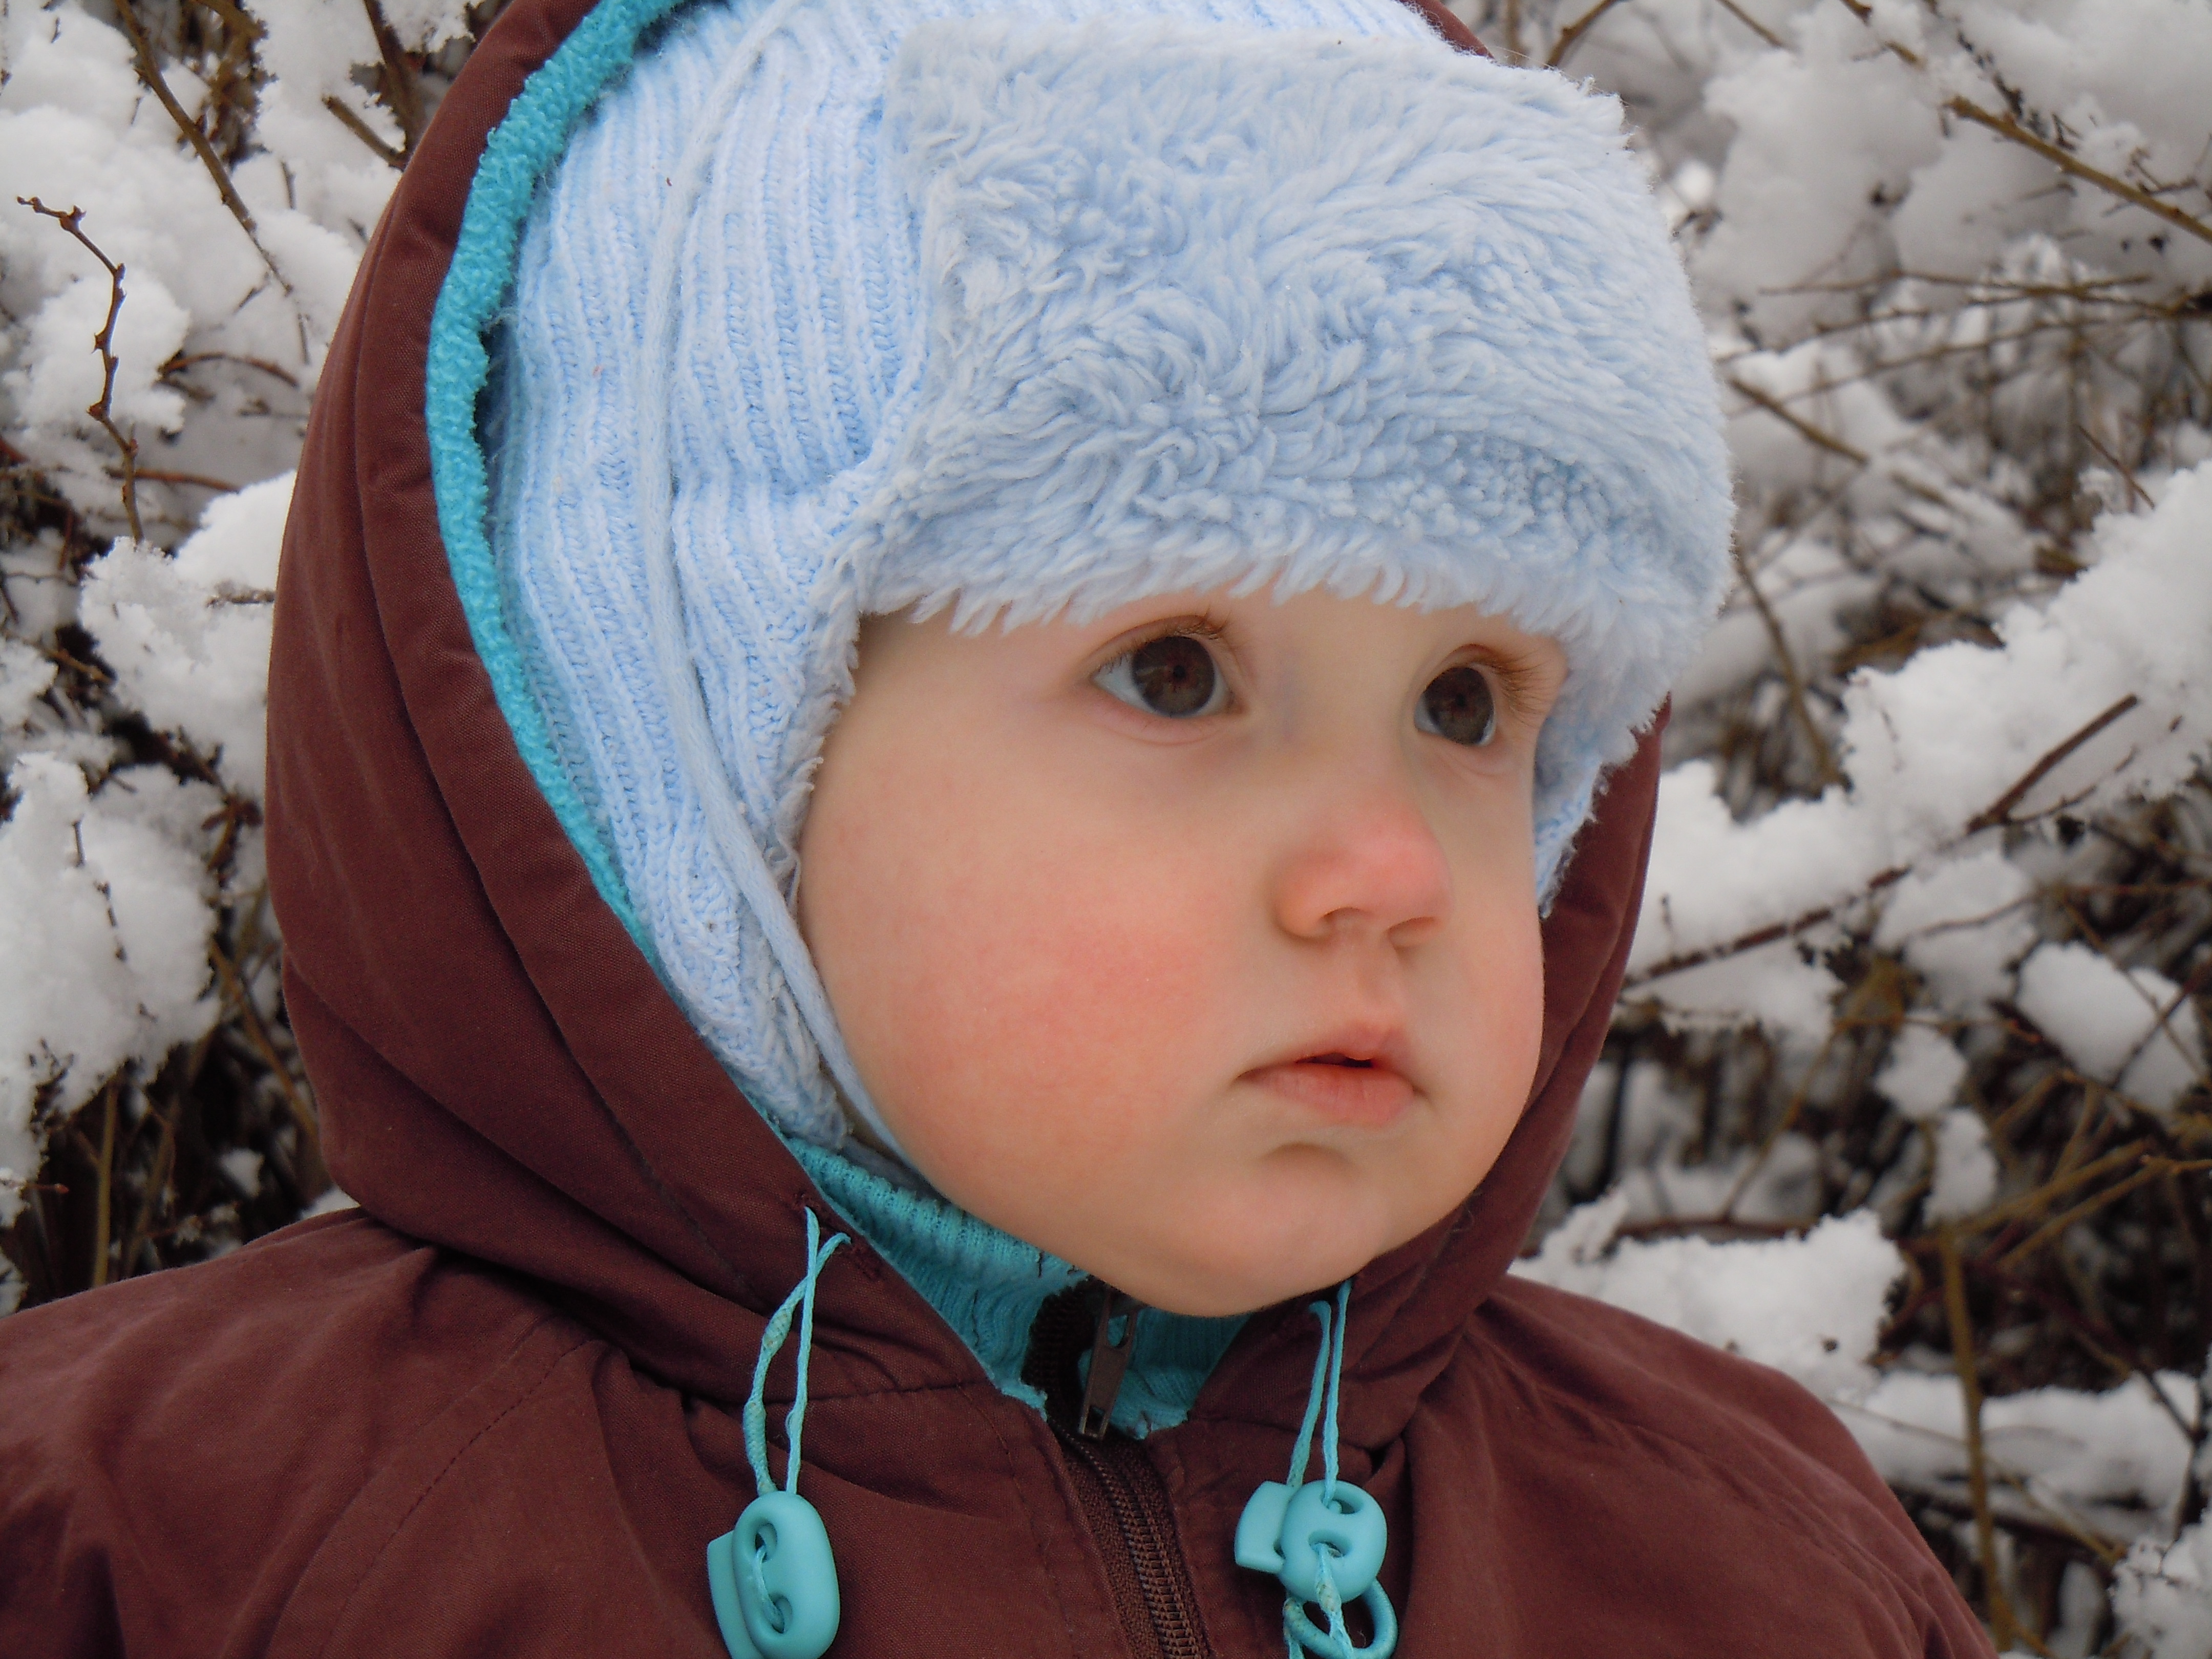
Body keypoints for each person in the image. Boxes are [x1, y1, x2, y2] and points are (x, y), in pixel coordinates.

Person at [0, 0, 1996, 1652]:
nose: (1387, 876)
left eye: (1466, 706)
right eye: (1175, 671)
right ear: (688, 754)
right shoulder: (179, 1556)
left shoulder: (1746, 1572)